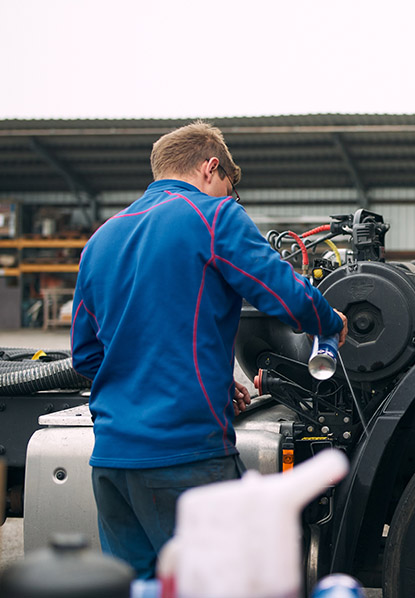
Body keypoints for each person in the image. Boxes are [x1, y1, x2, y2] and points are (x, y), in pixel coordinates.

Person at [70, 120, 347, 578]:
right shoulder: (212, 216)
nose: (228, 200)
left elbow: (87, 357)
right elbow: (281, 293)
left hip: (112, 463)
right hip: (186, 459)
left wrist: (215, 385)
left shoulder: (100, 240)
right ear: (210, 167)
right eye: (228, 189)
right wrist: (330, 321)